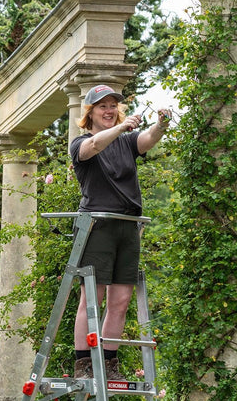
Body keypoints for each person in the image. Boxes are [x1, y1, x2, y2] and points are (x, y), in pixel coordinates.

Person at [69, 84, 171, 381]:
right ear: (90, 113)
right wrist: (123, 127)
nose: (109, 110)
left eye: (113, 105)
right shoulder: (81, 143)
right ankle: (84, 363)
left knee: (121, 300)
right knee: (92, 298)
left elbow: (148, 139)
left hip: (127, 225)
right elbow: (95, 147)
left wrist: (161, 124)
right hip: (97, 224)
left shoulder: (126, 143)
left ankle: (108, 362)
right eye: (103, 106)